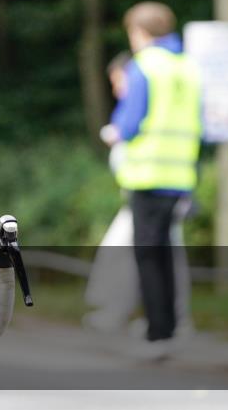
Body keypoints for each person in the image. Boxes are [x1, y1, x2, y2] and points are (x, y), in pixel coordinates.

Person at [104, 2, 202, 358]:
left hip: (147, 176)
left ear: (140, 33)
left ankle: (156, 335)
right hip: (180, 175)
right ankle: (171, 327)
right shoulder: (188, 67)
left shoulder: (143, 66)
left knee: (147, 257)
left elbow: (128, 124)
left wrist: (113, 134)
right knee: (166, 255)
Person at [84, 53, 194, 338]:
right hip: (154, 190)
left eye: (118, 81)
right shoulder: (159, 98)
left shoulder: (142, 100)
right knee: (152, 257)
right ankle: (160, 321)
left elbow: (132, 135)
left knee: (140, 256)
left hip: (151, 190)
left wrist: (118, 135)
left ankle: (153, 322)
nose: (116, 89)